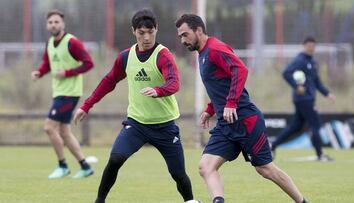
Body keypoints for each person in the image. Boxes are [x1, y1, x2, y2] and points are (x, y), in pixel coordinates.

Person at [176, 14, 308, 203]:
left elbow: (240, 69)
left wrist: (231, 103)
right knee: (205, 167)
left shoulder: (215, 48)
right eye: (180, 36)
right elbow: (221, 85)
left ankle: (303, 202)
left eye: (185, 35)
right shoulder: (202, 54)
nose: (182, 40)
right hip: (225, 124)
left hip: (245, 120)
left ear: (198, 30)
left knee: (265, 169)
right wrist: (210, 110)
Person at [73, 9, 200, 203]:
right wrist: (86, 105)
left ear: (156, 29)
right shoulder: (126, 57)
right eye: (142, 33)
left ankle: (190, 201)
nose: (147, 37)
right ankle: (99, 201)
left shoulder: (163, 56)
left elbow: (174, 83)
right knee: (115, 159)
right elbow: (109, 81)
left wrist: (158, 91)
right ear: (133, 31)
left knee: (178, 174)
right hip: (137, 124)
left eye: (150, 32)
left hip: (165, 126)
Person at [31, 10, 94, 179]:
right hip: (59, 92)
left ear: (63, 24)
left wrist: (67, 73)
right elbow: (47, 63)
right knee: (64, 132)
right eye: (50, 22)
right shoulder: (50, 43)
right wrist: (39, 72)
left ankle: (63, 165)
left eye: (56, 22)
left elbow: (89, 63)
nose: (53, 25)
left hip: (70, 93)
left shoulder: (72, 42)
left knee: (49, 127)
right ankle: (85, 166)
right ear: (47, 25)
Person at [271, 36, 336, 161]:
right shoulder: (300, 60)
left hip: (307, 99)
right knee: (315, 123)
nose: (311, 48)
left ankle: (272, 145)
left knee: (296, 126)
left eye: (313, 45)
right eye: (309, 45)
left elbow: (317, 82)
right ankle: (320, 155)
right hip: (303, 99)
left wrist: (327, 94)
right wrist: (296, 86)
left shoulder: (313, 62)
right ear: (304, 46)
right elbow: (286, 73)